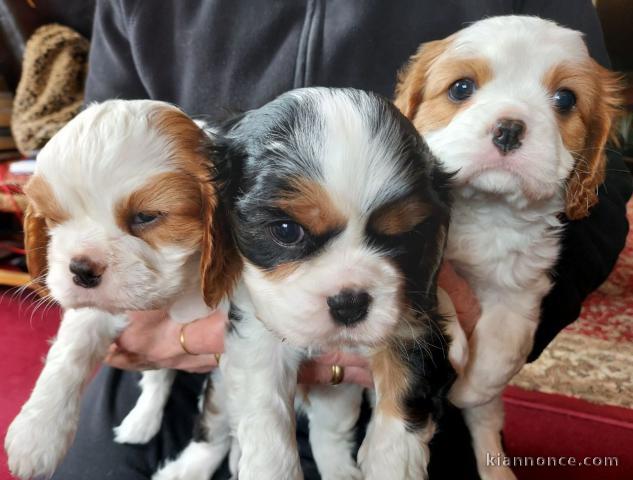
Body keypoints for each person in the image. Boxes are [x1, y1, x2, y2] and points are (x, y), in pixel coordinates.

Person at [51, 1, 632, 479]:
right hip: (174, 341)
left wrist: (485, 338)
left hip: (411, 372)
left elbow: (600, 208)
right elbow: (92, 167)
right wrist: (165, 331)